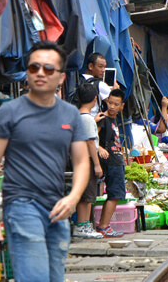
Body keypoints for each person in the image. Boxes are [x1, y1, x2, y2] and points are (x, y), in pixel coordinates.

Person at [0, 41, 89, 281]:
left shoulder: (70, 114)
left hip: (57, 207)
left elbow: (82, 162)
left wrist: (73, 198)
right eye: (34, 68)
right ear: (27, 73)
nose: (40, 73)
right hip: (21, 206)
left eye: (49, 69)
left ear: (61, 77)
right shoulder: (9, 112)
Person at [73, 83, 104, 239]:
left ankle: (84, 224)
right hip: (87, 160)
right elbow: (91, 143)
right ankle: (81, 225)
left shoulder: (77, 117)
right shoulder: (88, 120)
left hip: (78, 159)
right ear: (95, 99)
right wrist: (97, 164)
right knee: (87, 195)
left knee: (85, 194)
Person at [96, 89, 126, 237]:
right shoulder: (102, 118)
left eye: (116, 104)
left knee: (115, 194)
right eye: (110, 103)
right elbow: (92, 137)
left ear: (122, 106)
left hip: (117, 158)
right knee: (114, 194)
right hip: (110, 161)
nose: (112, 106)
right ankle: (104, 226)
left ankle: (103, 226)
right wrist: (100, 148)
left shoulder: (115, 119)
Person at [83, 52, 116, 118]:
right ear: (90, 66)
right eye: (100, 67)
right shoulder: (100, 85)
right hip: (94, 120)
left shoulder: (78, 80)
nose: (103, 70)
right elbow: (114, 105)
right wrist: (115, 90)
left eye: (104, 67)